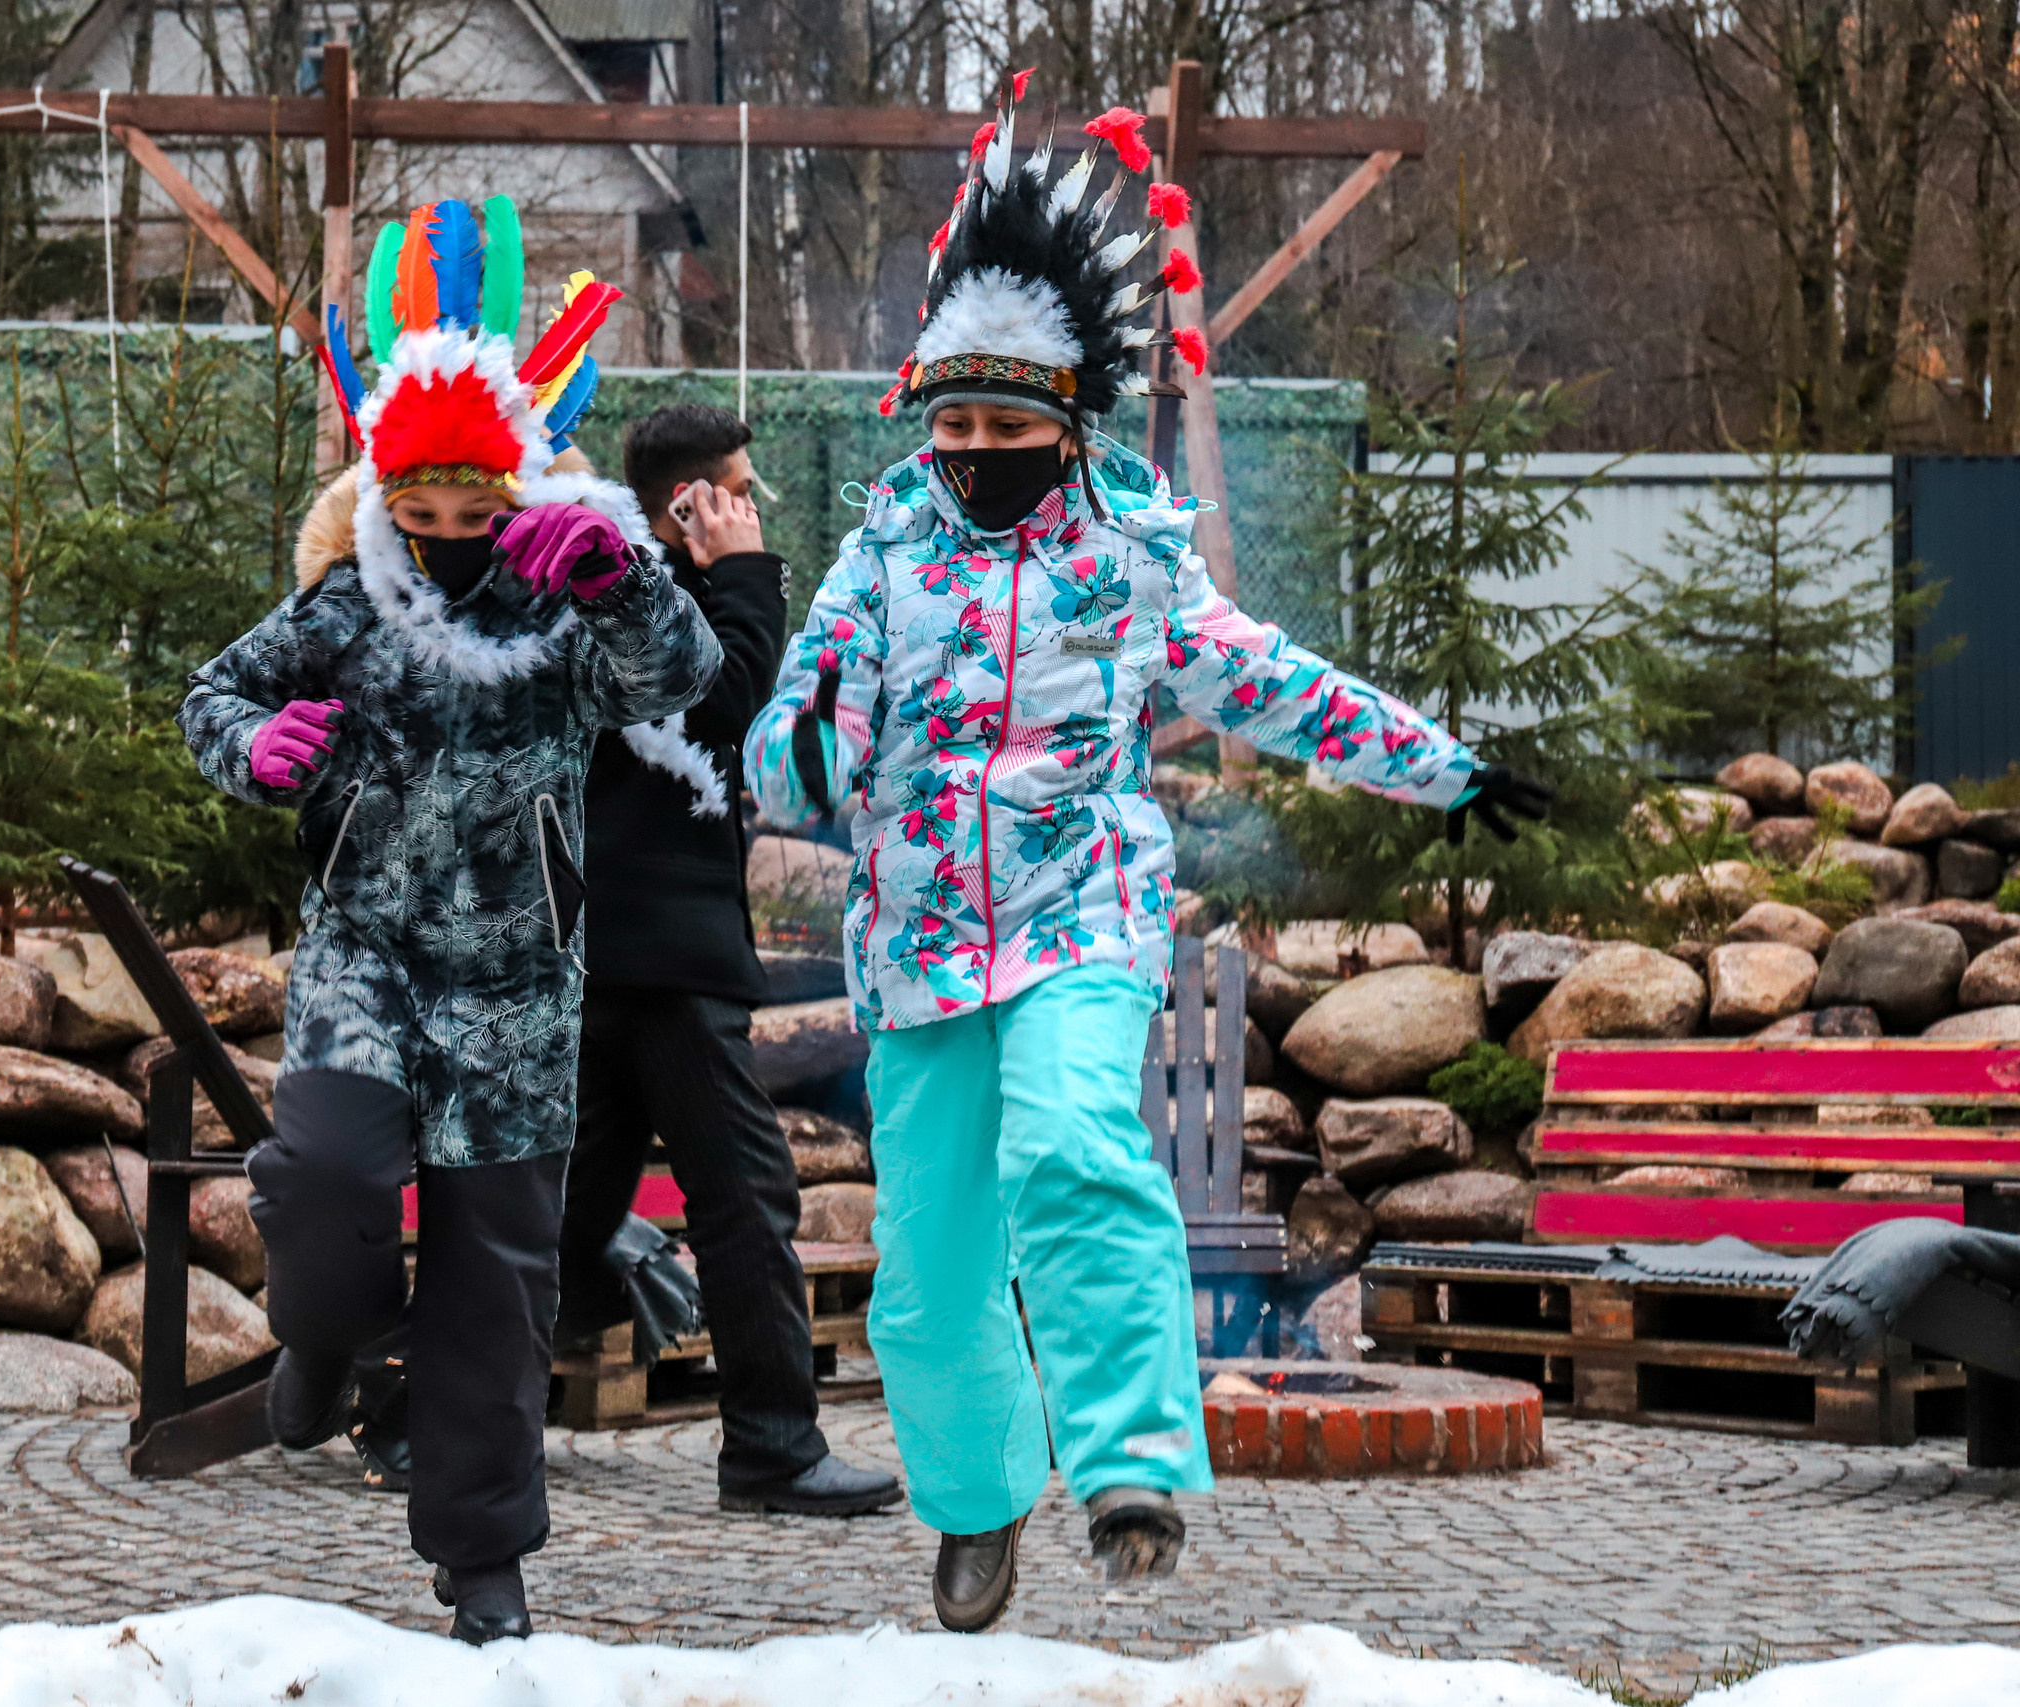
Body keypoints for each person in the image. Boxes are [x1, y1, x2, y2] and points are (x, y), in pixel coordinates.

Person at [741, 96, 1551, 1634]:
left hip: (1078, 916)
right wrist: (807, 746)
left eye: (1007, 427)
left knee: (1075, 1150)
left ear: (1067, 420)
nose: (976, 451)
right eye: (954, 427)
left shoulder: (1133, 560)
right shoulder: (882, 555)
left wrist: (1440, 767)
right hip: (916, 950)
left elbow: (1274, 680)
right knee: (928, 1270)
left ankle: (1127, 1464)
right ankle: (980, 1502)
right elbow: (791, 733)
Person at [180, 197, 718, 1646]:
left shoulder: (567, 608)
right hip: (364, 957)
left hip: (523, 986)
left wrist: (622, 580)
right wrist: (260, 748)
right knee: (328, 1172)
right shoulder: (347, 604)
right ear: (381, 498)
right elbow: (210, 698)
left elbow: (681, 674)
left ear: (519, 490)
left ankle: (485, 1567)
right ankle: (326, 1336)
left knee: (496, 1281)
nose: (445, 539)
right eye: (416, 514)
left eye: (473, 514)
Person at [557, 402, 902, 1517]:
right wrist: (749, 573)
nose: (756, 509)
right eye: (740, 490)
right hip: (658, 954)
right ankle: (770, 1447)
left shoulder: (633, 585)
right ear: (691, 504)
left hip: (628, 944)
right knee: (748, 1200)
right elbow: (725, 708)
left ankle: (430, 1407)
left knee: (568, 1208)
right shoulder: (637, 597)